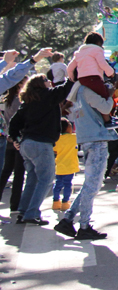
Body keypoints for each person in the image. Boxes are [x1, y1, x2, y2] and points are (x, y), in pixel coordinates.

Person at [53, 77, 118, 241]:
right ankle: (84, 226)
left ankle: (68, 220)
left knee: (90, 185)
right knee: (93, 186)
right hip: (96, 140)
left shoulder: (76, 92)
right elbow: (105, 106)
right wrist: (110, 94)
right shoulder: (86, 91)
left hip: (87, 138)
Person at [8, 74, 71, 225]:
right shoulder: (47, 95)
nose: (49, 82)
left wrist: (16, 139)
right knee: (47, 179)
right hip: (41, 144)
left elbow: (13, 123)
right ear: (40, 84)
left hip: (27, 145)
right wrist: (72, 74)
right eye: (46, 80)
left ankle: (23, 212)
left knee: (32, 179)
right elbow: (65, 89)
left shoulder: (28, 101)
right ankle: (31, 213)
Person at [67, 33, 116, 123]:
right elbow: (102, 64)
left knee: (98, 95)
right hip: (94, 78)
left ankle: (106, 118)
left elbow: (70, 67)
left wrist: (71, 76)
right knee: (104, 96)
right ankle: (108, 121)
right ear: (98, 43)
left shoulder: (79, 52)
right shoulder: (97, 50)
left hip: (82, 79)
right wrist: (111, 73)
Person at [0, 79, 26, 211]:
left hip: (8, 138)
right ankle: (15, 205)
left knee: (5, 171)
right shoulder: (19, 102)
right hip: (17, 138)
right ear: (20, 85)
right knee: (19, 173)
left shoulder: (6, 100)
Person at [52, 118, 78, 211]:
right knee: (67, 185)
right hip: (70, 166)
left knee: (58, 184)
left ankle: (55, 202)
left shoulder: (56, 139)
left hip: (59, 166)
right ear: (68, 128)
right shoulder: (74, 137)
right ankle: (65, 202)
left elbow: (54, 151)